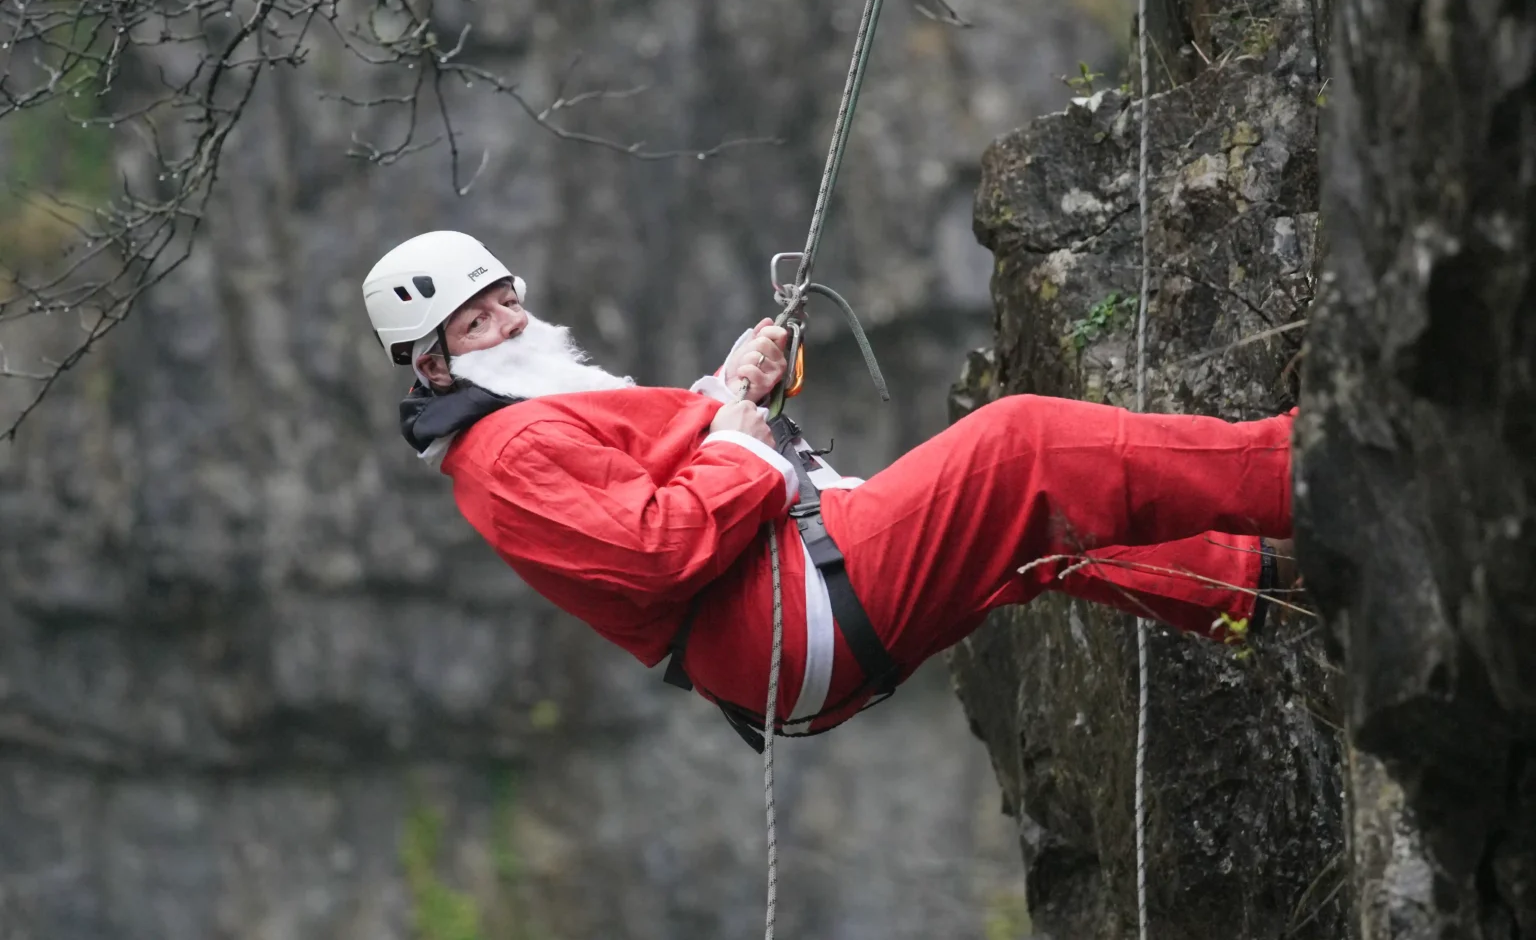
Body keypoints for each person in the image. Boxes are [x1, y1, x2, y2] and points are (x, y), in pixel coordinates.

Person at [363, 230, 1298, 747]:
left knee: (1028, 534)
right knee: (1025, 447)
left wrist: (732, 388)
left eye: (503, 302)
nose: (507, 323)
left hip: (791, 605)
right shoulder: (506, 455)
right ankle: (1304, 467)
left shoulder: (532, 415)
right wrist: (735, 444)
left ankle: (1253, 586)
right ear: (435, 367)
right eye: (476, 324)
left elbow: (664, 464)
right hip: (787, 615)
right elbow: (652, 549)